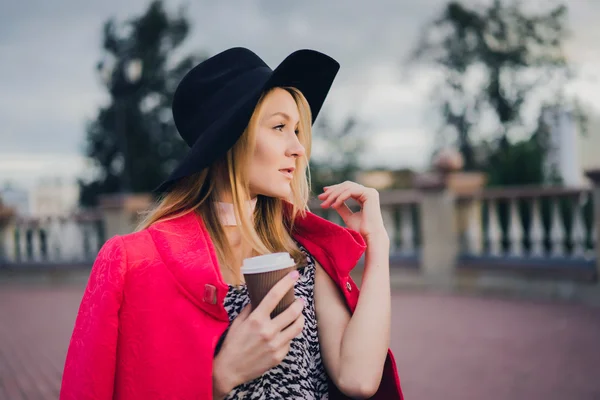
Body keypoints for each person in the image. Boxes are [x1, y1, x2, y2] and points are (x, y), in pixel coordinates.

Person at [59, 47, 404, 400]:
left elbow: (359, 379)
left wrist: (377, 245)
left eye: (298, 130)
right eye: (280, 127)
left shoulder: (302, 254)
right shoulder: (136, 263)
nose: (298, 148)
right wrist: (221, 376)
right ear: (232, 139)